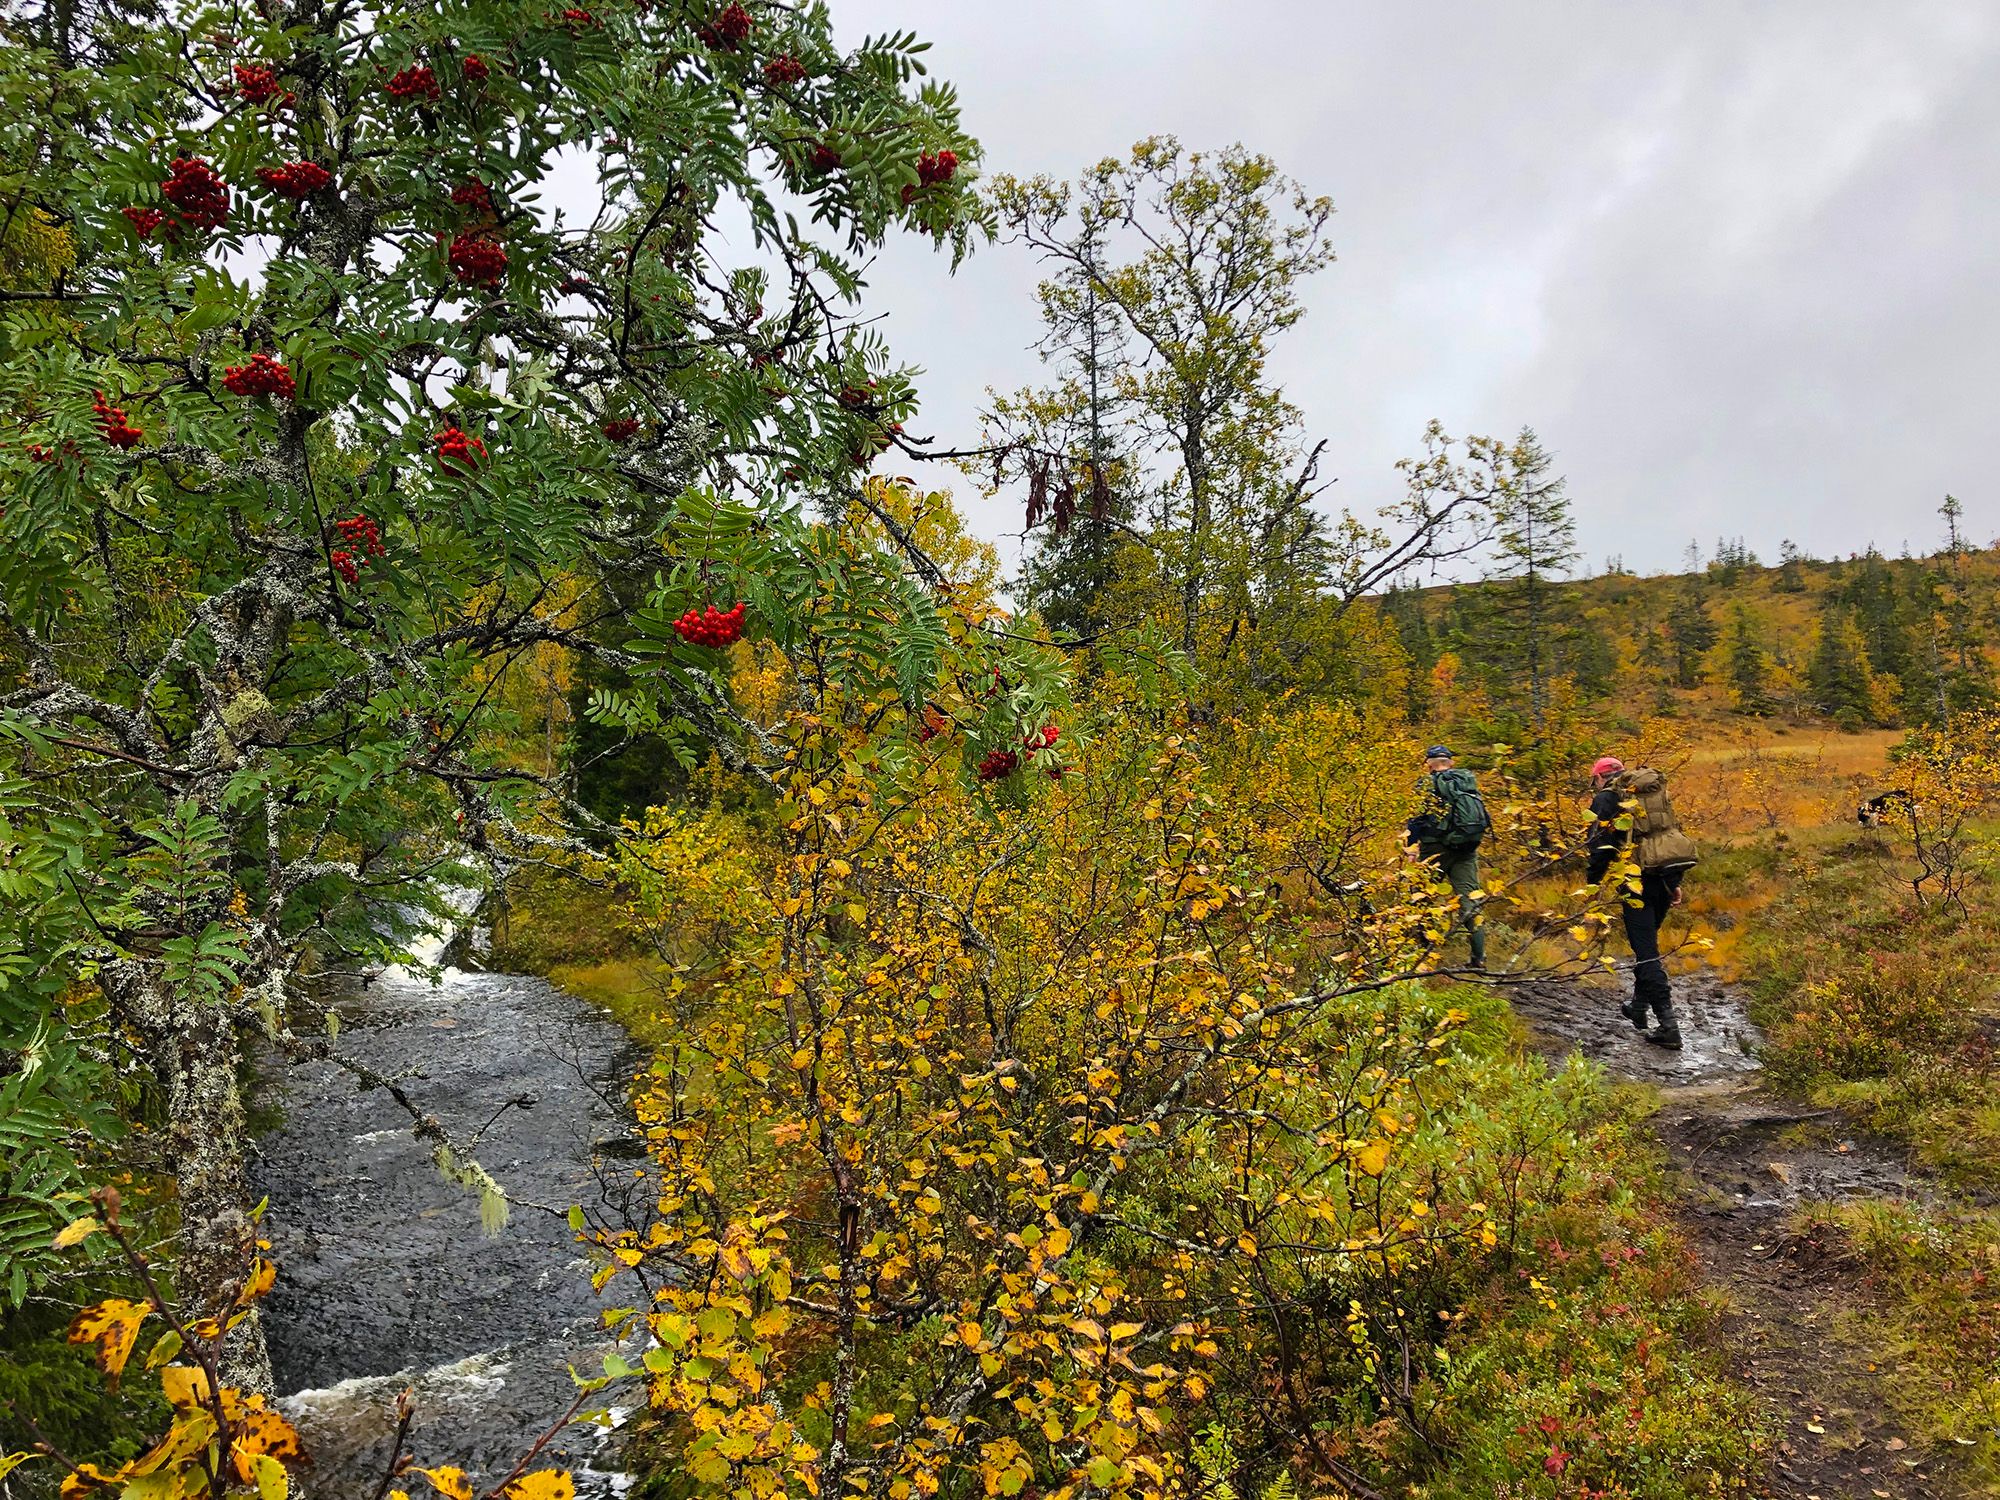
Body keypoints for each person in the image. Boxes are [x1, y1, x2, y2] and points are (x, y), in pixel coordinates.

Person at [1585, 755, 1700, 1049]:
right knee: (1648, 945)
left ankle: (1668, 1025)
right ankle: (1638, 1007)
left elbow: (1599, 848)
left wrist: (1592, 886)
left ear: (1599, 778)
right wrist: (1674, 885)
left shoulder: (1608, 799)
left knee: (1647, 952)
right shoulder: (1650, 793)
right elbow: (1667, 835)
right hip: (1665, 876)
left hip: (1637, 882)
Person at [1405, 745, 1491, 972]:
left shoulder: (1426, 784)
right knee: (1470, 903)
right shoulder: (1467, 781)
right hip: (1466, 850)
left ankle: (1421, 954)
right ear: (1450, 762)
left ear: (1428, 763)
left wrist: (1411, 847)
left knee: (1421, 898)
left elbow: (1416, 818)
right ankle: (1479, 958)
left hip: (1434, 851)